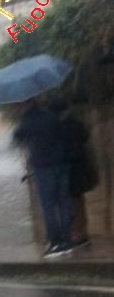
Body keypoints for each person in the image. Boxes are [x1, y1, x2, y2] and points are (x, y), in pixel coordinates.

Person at [13, 97, 73, 258]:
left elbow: (16, 138)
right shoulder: (51, 116)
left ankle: (56, 243)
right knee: (64, 203)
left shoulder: (27, 121)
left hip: (43, 168)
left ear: (27, 104)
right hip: (62, 164)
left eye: (19, 104)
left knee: (48, 206)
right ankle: (67, 241)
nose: (17, 107)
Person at [49, 97, 98, 249]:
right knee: (78, 200)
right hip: (80, 168)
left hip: (67, 169)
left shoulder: (55, 127)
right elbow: (85, 138)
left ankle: (75, 234)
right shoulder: (76, 123)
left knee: (69, 201)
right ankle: (82, 232)